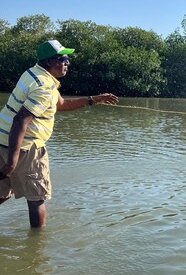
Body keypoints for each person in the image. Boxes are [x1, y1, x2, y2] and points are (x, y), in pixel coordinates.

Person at [0, 39, 119, 228]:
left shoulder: (32, 73)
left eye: (67, 59)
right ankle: (36, 250)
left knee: (2, 192)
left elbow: (60, 105)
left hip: (2, 140)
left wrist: (92, 100)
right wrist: (13, 161)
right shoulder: (44, 88)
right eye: (62, 58)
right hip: (24, 147)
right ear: (49, 62)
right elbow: (21, 120)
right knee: (37, 199)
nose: (67, 63)